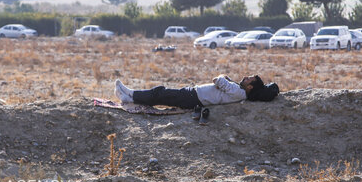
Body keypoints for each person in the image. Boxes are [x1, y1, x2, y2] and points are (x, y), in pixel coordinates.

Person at [114, 75, 279, 109]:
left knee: (160, 93)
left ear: (250, 87)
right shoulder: (239, 91)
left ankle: (130, 95)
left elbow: (217, 80)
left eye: (249, 79)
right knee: (161, 95)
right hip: (194, 95)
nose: (245, 77)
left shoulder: (239, 92)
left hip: (194, 97)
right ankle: (130, 96)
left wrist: (224, 77)